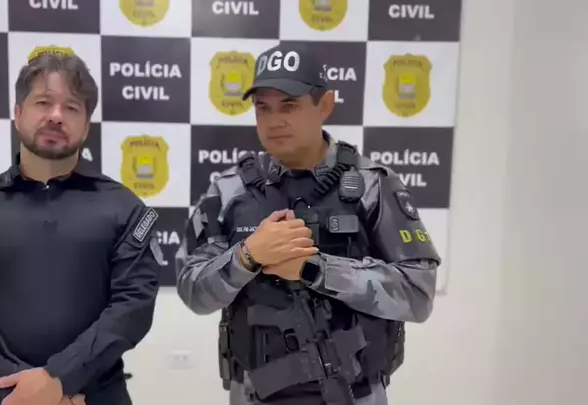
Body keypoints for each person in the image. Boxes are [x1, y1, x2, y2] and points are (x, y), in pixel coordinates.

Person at [175, 43, 441, 405]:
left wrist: (314, 269)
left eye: (289, 105)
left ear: (325, 105)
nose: (274, 121)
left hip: (353, 395)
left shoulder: (371, 185)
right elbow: (192, 291)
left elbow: (418, 294)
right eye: (263, 108)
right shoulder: (230, 189)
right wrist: (247, 257)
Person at [0, 52, 162, 405]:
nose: (56, 116)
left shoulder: (125, 210)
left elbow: (133, 309)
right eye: (43, 102)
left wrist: (59, 379)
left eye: (72, 107)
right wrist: (24, 389)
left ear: (86, 127)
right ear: (18, 114)